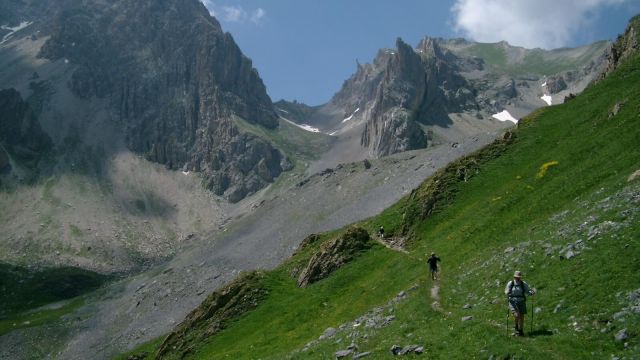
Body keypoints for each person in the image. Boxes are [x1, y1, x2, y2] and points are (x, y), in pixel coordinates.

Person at [505, 270, 535, 336]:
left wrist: (532, 293)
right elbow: (506, 291)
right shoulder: (511, 283)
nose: (517, 278)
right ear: (514, 277)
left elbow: (527, 291)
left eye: (518, 277)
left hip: (521, 301)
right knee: (516, 315)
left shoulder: (523, 283)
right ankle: (516, 328)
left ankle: (520, 330)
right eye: (516, 277)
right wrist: (507, 292)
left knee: (521, 316)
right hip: (512, 301)